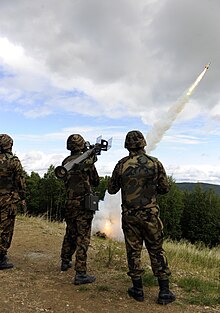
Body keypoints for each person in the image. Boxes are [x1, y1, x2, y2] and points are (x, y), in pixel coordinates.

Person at [107, 130, 176, 305]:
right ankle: (164, 292)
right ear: (143, 143)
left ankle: (137, 290)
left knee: (133, 251)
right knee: (156, 250)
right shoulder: (155, 163)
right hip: (150, 215)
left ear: (127, 145)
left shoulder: (121, 165)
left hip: (130, 216)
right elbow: (165, 188)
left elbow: (111, 189)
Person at [60, 134, 99, 285]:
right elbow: (95, 181)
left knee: (70, 233)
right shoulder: (86, 161)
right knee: (83, 238)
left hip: (69, 203)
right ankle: (80, 273)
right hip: (83, 205)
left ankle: (65, 261)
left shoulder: (65, 162)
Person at [0, 134, 26, 270]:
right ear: (9, 145)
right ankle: (0, 257)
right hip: (8, 200)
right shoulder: (13, 161)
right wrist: (22, 196)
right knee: (6, 228)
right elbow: (20, 181)